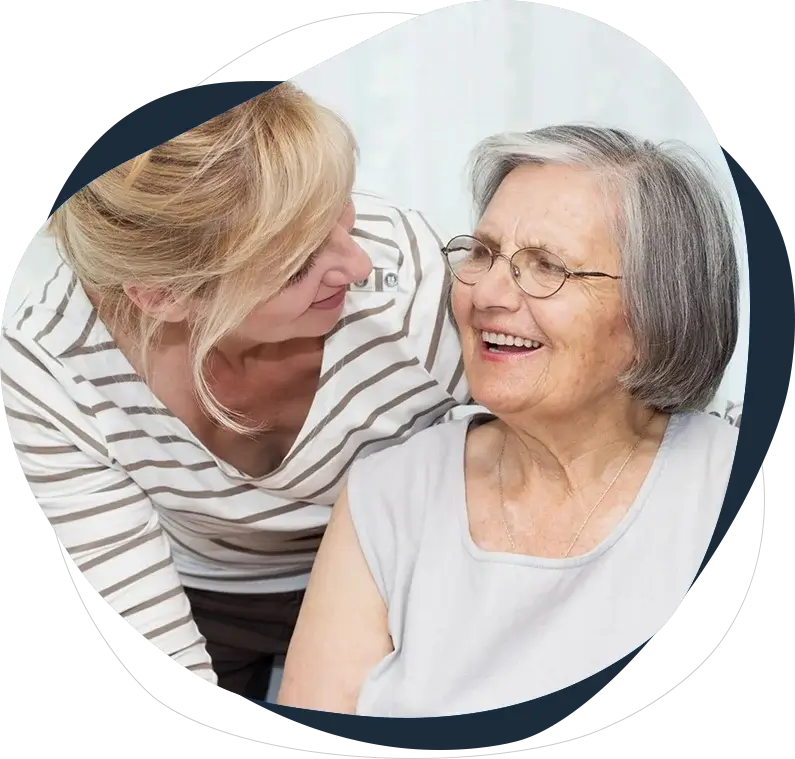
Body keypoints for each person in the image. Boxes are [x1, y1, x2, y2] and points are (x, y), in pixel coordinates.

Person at [0, 82, 469, 700]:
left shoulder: (404, 280)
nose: (355, 266)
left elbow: (555, 454)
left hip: (393, 568)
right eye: (300, 261)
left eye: (340, 210)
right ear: (165, 296)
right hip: (206, 592)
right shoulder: (48, 367)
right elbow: (144, 628)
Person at [278, 125, 741, 717]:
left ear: (657, 313)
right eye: (484, 253)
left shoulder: (732, 488)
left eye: (547, 266)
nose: (487, 292)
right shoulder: (390, 491)